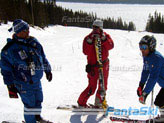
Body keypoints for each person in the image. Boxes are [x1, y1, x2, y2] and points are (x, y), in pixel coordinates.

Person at [0, 19, 52, 123]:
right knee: (30, 105)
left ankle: (37, 117)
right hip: (23, 83)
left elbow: (42, 57)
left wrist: (48, 70)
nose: (28, 31)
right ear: (18, 32)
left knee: (38, 100)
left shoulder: (34, 42)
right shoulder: (9, 49)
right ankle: (31, 121)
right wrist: (10, 85)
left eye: (28, 29)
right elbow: (6, 69)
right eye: (25, 30)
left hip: (36, 80)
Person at [77, 19, 114, 108]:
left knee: (103, 86)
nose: (95, 30)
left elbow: (111, 46)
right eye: (94, 27)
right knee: (92, 87)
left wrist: (104, 39)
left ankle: (99, 102)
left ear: (101, 28)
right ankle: (81, 102)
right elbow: (85, 51)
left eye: (97, 28)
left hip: (104, 65)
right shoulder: (88, 38)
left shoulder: (106, 36)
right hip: (93, 67)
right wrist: (90, 42)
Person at [137, 35, 164, 122]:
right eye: (140, 46)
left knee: (159, 102)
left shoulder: (157, 58)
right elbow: (146, 71)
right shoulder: (147, 56)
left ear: (151, 47)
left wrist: (145, 93)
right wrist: (141, 85)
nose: (142, 49)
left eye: (144, 47)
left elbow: (153, 77)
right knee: (160, 102)